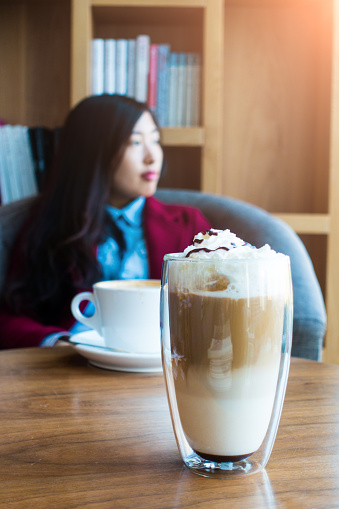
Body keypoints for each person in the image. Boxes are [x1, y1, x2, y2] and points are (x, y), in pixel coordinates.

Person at [0, 94, 210, 349]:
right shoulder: (49, 223)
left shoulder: (187, 223)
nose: (152, 156)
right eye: (135, 142)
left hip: (158, 366)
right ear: (94, 150)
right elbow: (10, 315)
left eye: (155, 140)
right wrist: (56, 342)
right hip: (72, 363)